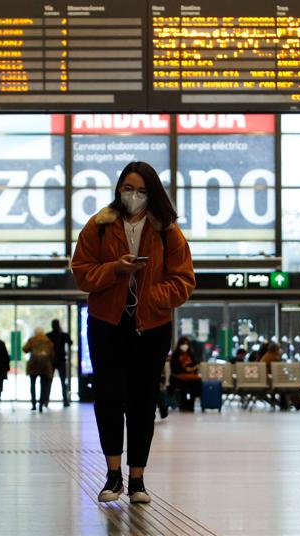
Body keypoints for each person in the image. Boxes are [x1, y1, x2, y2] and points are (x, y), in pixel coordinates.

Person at [71, 161, 196, 504]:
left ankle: (137, 479)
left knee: (142, 401)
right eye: (128, 188)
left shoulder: (167, 230)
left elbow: (184, 281)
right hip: (106, 323)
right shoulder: (98, 226)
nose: (134, 196)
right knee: (108, 398)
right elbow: (81, 273)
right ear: (118, 189)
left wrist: (153, 297)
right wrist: (116, 269)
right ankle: (113, 476)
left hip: (151, 325)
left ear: (151, 192)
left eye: (141, 190)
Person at [260, 341, 300, 410]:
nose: (280, 351)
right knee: (292, 385)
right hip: (270, 383)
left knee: (290, 384)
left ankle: (299, 402)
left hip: (266, 381)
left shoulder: (266, 356)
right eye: (279, 349)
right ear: (275, 350)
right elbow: (280, 371)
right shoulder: (273, 358)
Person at [24, 328, 55, 412]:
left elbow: (25, 349)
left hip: (33, 365)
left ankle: (33, 404)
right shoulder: (48, 341)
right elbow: (52, 355)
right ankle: (41, 404)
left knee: (33, 385)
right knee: (43, 385)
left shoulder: (32, 340)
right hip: (45, 365)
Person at [169, 336, 202, 412]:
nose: (185, 346)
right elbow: (174, 369)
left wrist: (192, 369)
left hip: (189, 377)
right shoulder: (175, 355)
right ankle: (183, 405)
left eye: (187, 344)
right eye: (183, 344)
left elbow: (195, 366)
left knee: (196, 383)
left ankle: (191, 405)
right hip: (177, 377)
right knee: (183, 385)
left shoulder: (191, 354)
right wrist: (185, 370)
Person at [47, 319, 73, 405]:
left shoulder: (49, 335)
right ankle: (65, 400)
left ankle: (46, 400)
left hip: (52, 360)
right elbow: (70, 342)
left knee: (49, 381)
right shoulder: (63, 335)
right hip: (61, 360)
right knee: (63, 381)